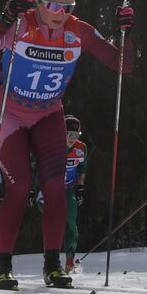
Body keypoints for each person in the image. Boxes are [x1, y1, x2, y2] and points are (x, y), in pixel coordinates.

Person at [0, 0, 134, 290]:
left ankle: (53, 265)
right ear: (39, 2)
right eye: (53, 6)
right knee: (19, 186)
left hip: (49, 113)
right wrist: (5, 19)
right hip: (10, 113)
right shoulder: (21, 24)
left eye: (67, 7)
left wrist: (127, 31)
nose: (60, 14)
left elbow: (122, 64)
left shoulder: (79, 32)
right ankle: (2, 265)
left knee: (56, 188)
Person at [62, 115, 88, 273]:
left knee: (71, 221)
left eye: (76, 135)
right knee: (53, 221)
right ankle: (50, 260)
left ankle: (69, 261)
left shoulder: (81, 147)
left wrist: (80, 188)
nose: (72, 138)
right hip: (48, 188)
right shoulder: (52, 144)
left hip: (68, 188)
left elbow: (83, 167)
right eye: (69, 134)